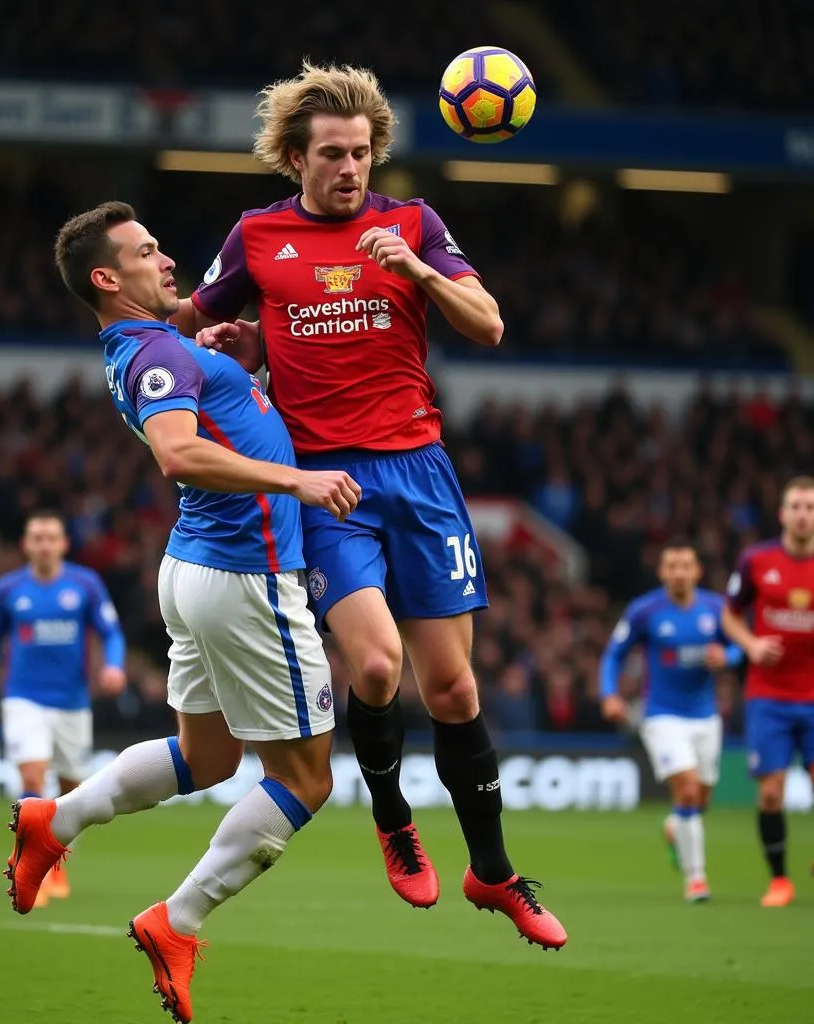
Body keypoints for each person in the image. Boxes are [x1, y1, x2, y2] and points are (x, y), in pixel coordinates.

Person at [174, 61, 566, 948]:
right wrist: (224, 341)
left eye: (361, 154)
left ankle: (494, 874)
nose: (351, 170)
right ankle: (392, 817)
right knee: (380, 669)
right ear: (296, 160)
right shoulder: (257, 236)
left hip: (420, 475)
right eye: (333, 156)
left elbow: (489, 323)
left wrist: (419, 273)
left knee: (456, 685)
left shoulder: (412, 223)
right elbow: (194, 322)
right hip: (327, 483)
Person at [4, 201, 361, 1024]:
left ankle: (58, 818)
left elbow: (216, 420)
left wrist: (247, 371)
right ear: (107, 278)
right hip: (248, 575)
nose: (168, 262)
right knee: (305, 780)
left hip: (198, 568)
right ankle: (179, 919)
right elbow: (178, 451)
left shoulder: (152, 347)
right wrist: (300, 481)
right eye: (146, 252)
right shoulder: (154, 353)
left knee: (206, 758)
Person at [0, 511, 127, 907]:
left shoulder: (84, 585)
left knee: (73, 790)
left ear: (63, 544)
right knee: (33, 775)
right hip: (23, 697)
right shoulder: (9, 589)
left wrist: (113, 665)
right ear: (25, 544)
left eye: (50, 537)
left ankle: (54, 861)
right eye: (36, 537)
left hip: (72, 702)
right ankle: (29, 868)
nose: (43, 544)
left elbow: (110, 632)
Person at [599, 539, 743, 902]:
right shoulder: (645, 611)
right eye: (672, 566)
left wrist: (726, 655)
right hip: (661, 716)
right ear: (662, 572)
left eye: (685, 566)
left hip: (706, 717)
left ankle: (674, 826)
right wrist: (610, 694)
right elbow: (614, 654)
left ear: (697, 571)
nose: (679, 572)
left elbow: (743, 645)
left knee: (701, 798)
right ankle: (696, 879)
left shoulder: (716, 608)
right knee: (689, 787)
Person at [722, 476, 814, 908]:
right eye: (796, 506)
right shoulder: (757, 561)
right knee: (771, 792)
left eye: (810, 507)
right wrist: (752, 644)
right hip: (769, 697)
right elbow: (730, 616)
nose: (802, 514)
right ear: (782, 513)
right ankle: (780, 881)